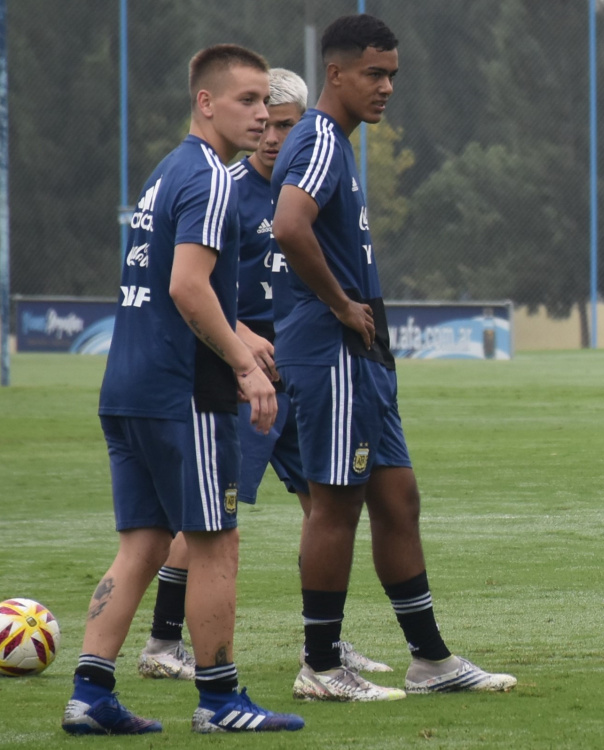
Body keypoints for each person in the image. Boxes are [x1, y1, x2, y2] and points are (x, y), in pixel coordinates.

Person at [270, 13, 516, 699]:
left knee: (398, 499)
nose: (386, 88)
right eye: (374, 74)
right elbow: (290, 226)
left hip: (361, 356)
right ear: (337, 73)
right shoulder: (319, 138)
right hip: (334, 349)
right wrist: (344, 306)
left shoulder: (337, 145)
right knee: (335, 506)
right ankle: (320, 666)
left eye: (393, 76)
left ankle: (430, 660)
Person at [62, 45, 304, 735]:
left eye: (266, 102)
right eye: (249, 101)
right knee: (215, 541)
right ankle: (221, 700)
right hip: (181, 396)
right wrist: (247, 365)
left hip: (127, 387)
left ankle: (90, 693)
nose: (263, 115)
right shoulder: (213, 178)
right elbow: (185, 285)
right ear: (206, 103)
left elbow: (176, 285)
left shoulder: (168, 171)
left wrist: (238, 332)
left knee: (141, 542)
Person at [135, 68, 390, 688]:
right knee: (207, 518)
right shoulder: (225, 190)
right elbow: (188, 284)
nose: (276, 138)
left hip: (303, 374)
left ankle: (323, 643)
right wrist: (243, 344)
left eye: (289, 125)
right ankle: (164, 640)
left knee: (323, 508)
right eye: (268, 125)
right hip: (241, 381)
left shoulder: (317, 183)